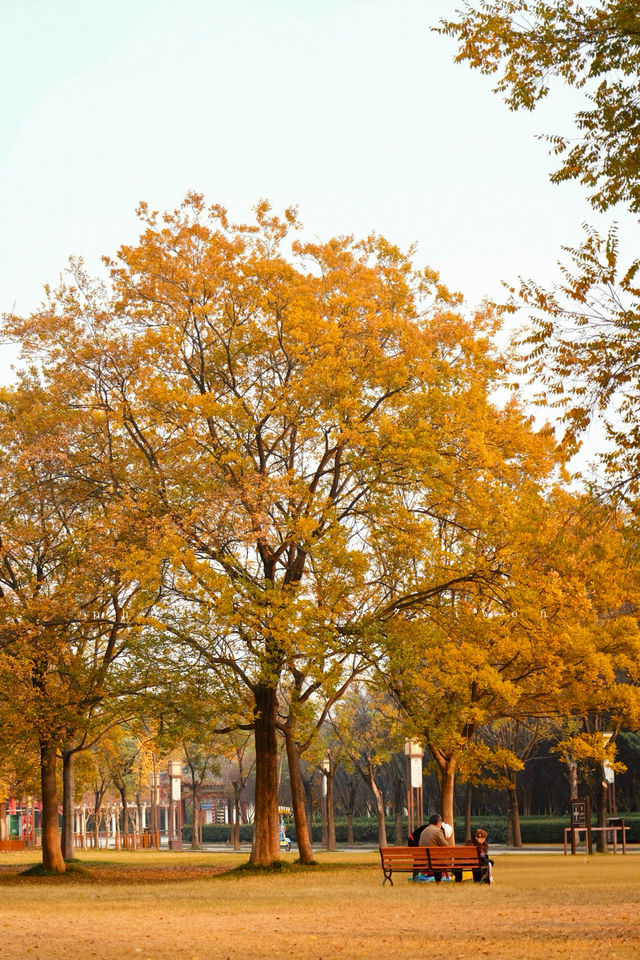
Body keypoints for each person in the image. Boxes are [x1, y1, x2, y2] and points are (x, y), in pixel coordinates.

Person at [418, 814, 449, 882]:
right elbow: (446, 845)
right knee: (454, 858)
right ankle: (458, 879)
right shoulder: (437, 831)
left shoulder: (424, 831)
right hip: (434, 860)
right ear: (438, 822)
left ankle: (438, 879)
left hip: (424, 859)